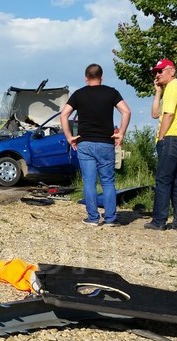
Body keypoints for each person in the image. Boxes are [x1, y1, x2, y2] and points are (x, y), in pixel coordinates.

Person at [60, 63, 131, 226]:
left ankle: (93, 218)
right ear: (101, 77)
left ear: (86, 78)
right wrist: (121, 133)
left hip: (85, 143)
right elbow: (126, 111)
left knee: (89, 182)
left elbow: (64, 115)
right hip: (106, 143)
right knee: (108, 182)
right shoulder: (111, 92)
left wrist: (69, 137)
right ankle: (110, 218)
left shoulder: (79, 94)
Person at [147, 58, 177, 231]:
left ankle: (159, 221)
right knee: (176, 182)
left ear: (172, 71)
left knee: (163, 180)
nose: (157, 75)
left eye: (160, 71)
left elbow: (168, 114)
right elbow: (155, 114)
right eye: (155, 72)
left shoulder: (174, 86)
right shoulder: (173, 88)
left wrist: (161, 138)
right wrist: (158, 92)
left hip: (173, 138)